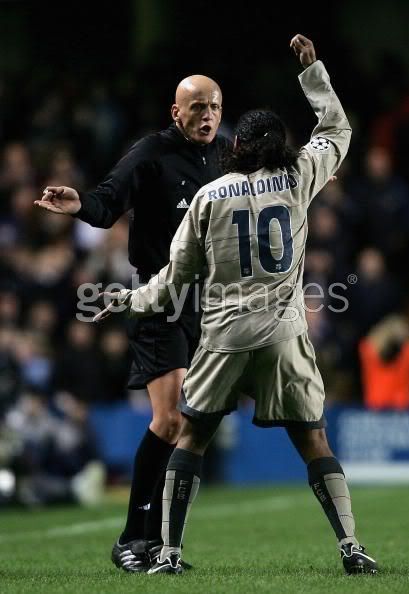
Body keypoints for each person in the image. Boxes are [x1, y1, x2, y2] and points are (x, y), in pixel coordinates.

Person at [95, 34, 378, 576]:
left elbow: (173, 277)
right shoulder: (299, 178)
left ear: (238, 146)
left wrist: (129, 301)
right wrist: (312, 71)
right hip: (283, 335)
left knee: (192, 434)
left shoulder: (207, 196)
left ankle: (168, 553)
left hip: (222, 337)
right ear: (283, 146)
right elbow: (337, 129)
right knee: (313, 436)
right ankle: (350, 546)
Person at [35, 74, 231, 571]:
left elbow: (271, 185)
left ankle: (157, 542)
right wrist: (77, 203)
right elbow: (106, 204)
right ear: (175, 112)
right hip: (158, 296)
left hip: (210, 302)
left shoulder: (228, 155)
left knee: (190, 425)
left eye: (214, 107)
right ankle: (132, 538)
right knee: (169, 420)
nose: (207, 116)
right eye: (197, 107)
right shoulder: (150, 153)